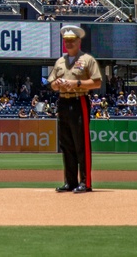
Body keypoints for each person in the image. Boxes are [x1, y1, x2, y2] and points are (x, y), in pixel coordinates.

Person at [47, 25, 102, 193]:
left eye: (72, 41)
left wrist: (76, 83)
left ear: (79, 41)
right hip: (63, 102)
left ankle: (86, 182)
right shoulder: (60, 61)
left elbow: (97, 82)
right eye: (66, 41)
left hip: (80, 101)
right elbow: (52, 83)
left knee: (81, 143)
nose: (68, 44)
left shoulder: (87, 60)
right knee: (66, 144)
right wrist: (56, 84)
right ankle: (70, 182)